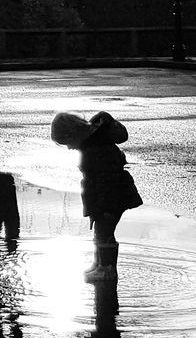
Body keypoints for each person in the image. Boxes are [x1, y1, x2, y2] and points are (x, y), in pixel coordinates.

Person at [50, 110, 143, 282]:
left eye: (68, 143)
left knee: (105, 232)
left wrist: (102, 206)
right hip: (106, 195)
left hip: (112, 196)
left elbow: (106, 180)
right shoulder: (91, 143)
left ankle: (107, 269)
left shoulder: (95, 147)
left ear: (73, 133)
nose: (69, 148)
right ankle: (99, 264)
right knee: (100, 231)